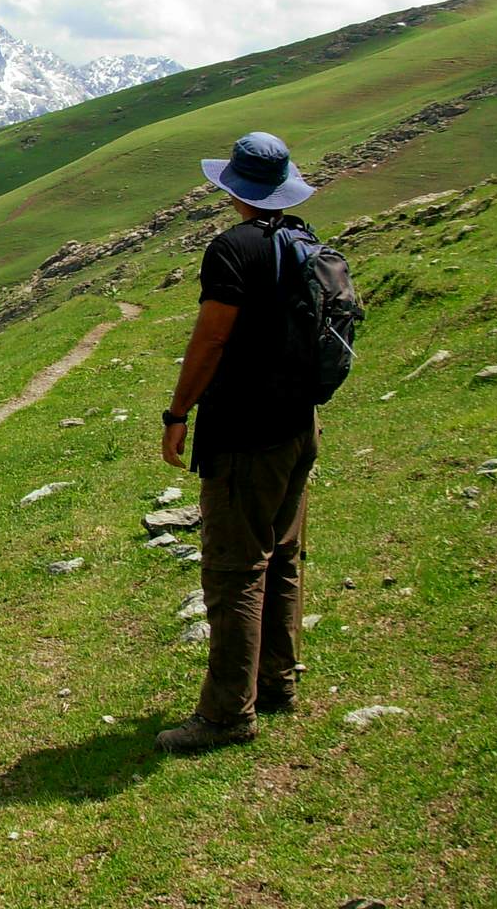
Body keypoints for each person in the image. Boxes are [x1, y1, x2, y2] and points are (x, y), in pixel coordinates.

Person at [155, 131, 321, 754]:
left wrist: (177, 412)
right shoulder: (302, 241)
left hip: (245, 434)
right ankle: (276, 683)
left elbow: (211, 341)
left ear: (233, 188)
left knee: (233, 571)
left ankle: (227, 714)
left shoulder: (232, 250)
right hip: (298, 426)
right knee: (281, 556)